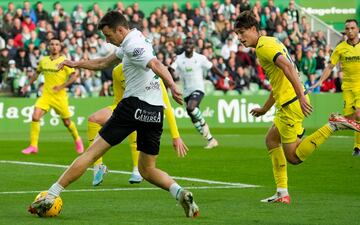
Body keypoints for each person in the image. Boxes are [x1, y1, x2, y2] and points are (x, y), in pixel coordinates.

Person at [29, 11, 199, 218]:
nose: (107, 40)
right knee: (147, 170)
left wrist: (172, 85)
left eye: (109, 36)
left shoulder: (133, 46)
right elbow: (102, 63)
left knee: (91, 153)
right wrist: (75, 63)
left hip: (133, 106)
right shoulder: (134, 39)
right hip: (154, 112)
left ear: (120, 30)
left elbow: (155, 64)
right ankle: (180, 192)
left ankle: (51, 194)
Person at [234, 11, 360, 204]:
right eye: (237, 34)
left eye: (242, 32)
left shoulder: (263, 47)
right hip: (289, 100)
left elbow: (288, 68)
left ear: (253, 29)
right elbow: (278, 81)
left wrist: (300, 96)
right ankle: (281, 192)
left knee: (293, 157)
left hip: (291, 103)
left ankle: (333, 125)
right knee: (271, 140)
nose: (240, 38)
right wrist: (265, 109)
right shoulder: (270, 41)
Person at [89, 63, 187, 186]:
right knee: (93, 119)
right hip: (125, 107)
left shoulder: (150, 70)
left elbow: (166, 106)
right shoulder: (117, 71)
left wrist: (176, 136)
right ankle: (98, 166)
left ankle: (137, 169)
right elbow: (118, 99)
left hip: (146, 109)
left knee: (135, 118)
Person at [21, 38, 84, 155]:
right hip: (46, 95)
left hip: (60, 97)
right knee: (35, 116)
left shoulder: (64, 61)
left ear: (60, 47)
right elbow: (36, 73)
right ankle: (33, 146)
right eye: (52, 44)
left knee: (67, 122)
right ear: (48, 47)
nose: (54, 46)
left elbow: (74, 76)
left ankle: (77, 139)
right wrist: (27, 85)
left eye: (57, 44)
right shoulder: (43, 60)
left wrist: (62, 86)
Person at [312, 19, 360, 156]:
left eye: (352, 28)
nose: (350, 31)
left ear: (357, 29)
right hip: (348, 88)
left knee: (359, 114)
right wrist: (320, 81)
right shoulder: (340, 48)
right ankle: (337, 122)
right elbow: (330, 66)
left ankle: (357, 146)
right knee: (350, 119)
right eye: (347, 28)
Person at [171, 37, 224, 149]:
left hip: (198, 89)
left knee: (191, 108)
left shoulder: (200, 58)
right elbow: (171, 70)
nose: (188, 45)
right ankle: (211, 140)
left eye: (190, 43)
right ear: (184, 45)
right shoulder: (179, 59)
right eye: (186, 43)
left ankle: (204, 123)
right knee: (193, 117)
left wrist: (225, 78)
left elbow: (212, 68)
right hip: (186, 92)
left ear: (194, 46)